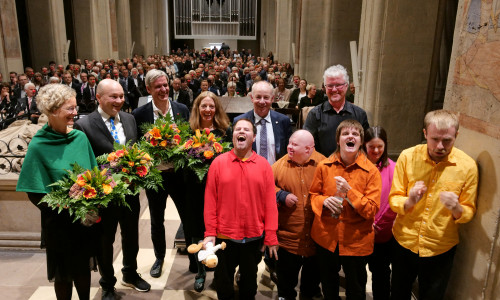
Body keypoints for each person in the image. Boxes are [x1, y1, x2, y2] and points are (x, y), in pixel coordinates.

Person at [16, 84, 98, 300]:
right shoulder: (38, 145)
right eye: (69, 109)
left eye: (75, 107)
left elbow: (94, 175)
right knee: (63, 274)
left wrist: (88, 193)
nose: (75, 113)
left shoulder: (79, 138)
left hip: (83, 218)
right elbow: (34, 192)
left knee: (82, 267)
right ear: (53, 111)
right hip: (58, 222)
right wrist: (64, 203)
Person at [389, 110, 478, 300]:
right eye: (434, 139)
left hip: (440, 246)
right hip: (405, 241)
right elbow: (394, 198)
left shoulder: (468, 166)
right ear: (425, 134)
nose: (440, 146)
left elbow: (469, 211)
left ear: (456, 136)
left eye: (447, 140)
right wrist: (410, 201)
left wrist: (456, 208)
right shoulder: (407, 156)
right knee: (398, 292)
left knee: (432, 295)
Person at [74, 79, 150, 300]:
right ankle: (107, 283)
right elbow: (84, 163)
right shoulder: (85, 124)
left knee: (131, 236)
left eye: (121, 96)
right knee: (105, 241)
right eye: (113, 97)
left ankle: (130, 273)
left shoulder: (129, 118)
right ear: (98, 97)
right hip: (103, 195)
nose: (119, 101)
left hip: (130, 191)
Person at [203, 118, 279, 300]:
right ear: (233, 135)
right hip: (224, 237)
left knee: (249, 286)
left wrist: (271, 235)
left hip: (253, 238)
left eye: (246, 129)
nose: (242, 132)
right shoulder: (218, 163)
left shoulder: (264, 166)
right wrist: (210, 232)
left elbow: (270, 203)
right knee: (223, 283)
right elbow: (210, 201)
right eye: (238, 129)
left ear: (253, 137)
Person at [310, 119, 381, 300]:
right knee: (329, 285)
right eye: (345, 134)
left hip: (356, 240)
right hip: (327, 237)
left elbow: (371, 210)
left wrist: (350, 192)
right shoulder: (324, 166)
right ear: (338, 140)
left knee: (356, 288)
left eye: (355, 134)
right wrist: (324, 201)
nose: (350, 136)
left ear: (360, 141)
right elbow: (313, 195)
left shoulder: (371, 172)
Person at [132, 69, 190, 278]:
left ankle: (194, 258)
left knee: (188, 216)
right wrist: (148, 140)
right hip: (155, 176)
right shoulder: (139, 115)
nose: (164, 89)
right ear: (149, 89)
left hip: (178, 174)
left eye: (165, 85)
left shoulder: (182, 109)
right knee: (157, 220)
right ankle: (159, 258)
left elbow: (190, 139)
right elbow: (135, 145)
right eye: (158, 87)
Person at [184, 91, 232, 292]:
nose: (208, 110)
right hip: (195, 190)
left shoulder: (225, 132)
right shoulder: (188, 132)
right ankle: (200, 271)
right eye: (203, 106)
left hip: (221, 191)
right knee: (198, 232)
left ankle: (220, 271)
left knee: (219, 230)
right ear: (197, 109)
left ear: (217, 109)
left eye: (211, 106)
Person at [272, 130, 326, 300]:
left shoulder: (324, 164)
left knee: (310, 288)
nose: (289, 147)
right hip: (288, 240)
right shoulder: (278, 166)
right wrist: (281, 195)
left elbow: (333, 191)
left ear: (309, 149)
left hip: (316, 238)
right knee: (286, 286)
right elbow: (265, 191)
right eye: (289, 142)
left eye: (295, 145)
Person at [304, 65, 369, 157]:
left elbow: (365, 146)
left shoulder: (359, 114)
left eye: (338, 85)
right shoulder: (315, 114)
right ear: (325, 88)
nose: (334, 89)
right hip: (323, 167)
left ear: (346, 86)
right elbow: (307, 145)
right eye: (330, 85)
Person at [363, 126, 396, 300]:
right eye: (371, 146)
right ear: (364, 145)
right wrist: (366, 222)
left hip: (382, 231)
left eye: (380, 146)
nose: (376, 151)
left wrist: (378, 224)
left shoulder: (393, 168)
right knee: (358, 274)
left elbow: (393, 202)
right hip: (360, 230)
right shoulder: (357, 166)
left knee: (381, 272)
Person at [234, 80, 292, 166]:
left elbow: (288, 152)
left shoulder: (283, 121)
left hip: (275, 175)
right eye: (258, 97)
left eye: (266, 97)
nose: (262, 102)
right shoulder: (240, 122)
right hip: (248, 174)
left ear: (272, 99)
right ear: (252, 98)